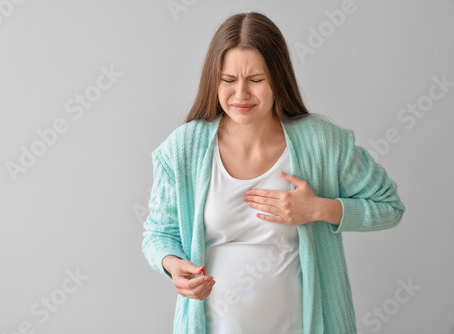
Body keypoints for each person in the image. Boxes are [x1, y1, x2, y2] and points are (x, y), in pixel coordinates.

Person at [142, 11, 405, 334]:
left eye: (256, 80)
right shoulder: (184, 148)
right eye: (228, 80)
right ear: (214, 80)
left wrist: (319, 209)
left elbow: (389, 207)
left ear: (278, 78)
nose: (241, 95)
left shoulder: (321, 142)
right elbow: (158, 233)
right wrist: (173, 265)